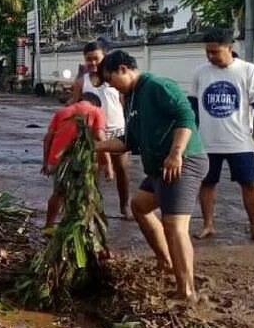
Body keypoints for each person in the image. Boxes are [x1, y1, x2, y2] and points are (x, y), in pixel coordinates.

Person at [95, 51, 208, 304]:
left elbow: (186, 116)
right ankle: (166, 260)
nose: (109, 84)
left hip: (182, 163)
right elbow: (128, 141)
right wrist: (94, 146)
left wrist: (176, 153)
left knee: (175, 227)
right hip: (159, 169)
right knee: (140, 206)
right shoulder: (131, 98)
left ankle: (187, 292)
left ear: (123, 68)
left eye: (110, 78)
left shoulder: (158, 85)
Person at [191, 28, 254, 243]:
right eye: (207, 52)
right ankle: (208, 224)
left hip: (240, 141)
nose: (210, 56)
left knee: (248, 183)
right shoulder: (201, 72)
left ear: (230, 48)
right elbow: (192, 107)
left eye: (215, 52)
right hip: (207, 141)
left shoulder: (248, 70)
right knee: (207, 183)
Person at [69, 40, 131, 218]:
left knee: (123, 171)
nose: (93, 63)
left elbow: (123, 102)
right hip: (92, 135)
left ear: (105, 56)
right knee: (92, 172)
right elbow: (74, 106)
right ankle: (92, 208)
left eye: (96, 59)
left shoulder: (113, 79)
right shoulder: (82, 82)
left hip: (117, 132)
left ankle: (125, 206)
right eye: (89, 60)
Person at [42, 92, 107, 229]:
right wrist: (108, 165)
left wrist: (45, 162)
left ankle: (48, 226)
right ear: (95, 103)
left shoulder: (61, 112)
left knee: (58, 193)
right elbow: (101, 137)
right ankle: (79, 227)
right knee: (85, 194)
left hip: (57, 160)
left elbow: (48, 138)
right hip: (82, 161)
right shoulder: (96, 111)